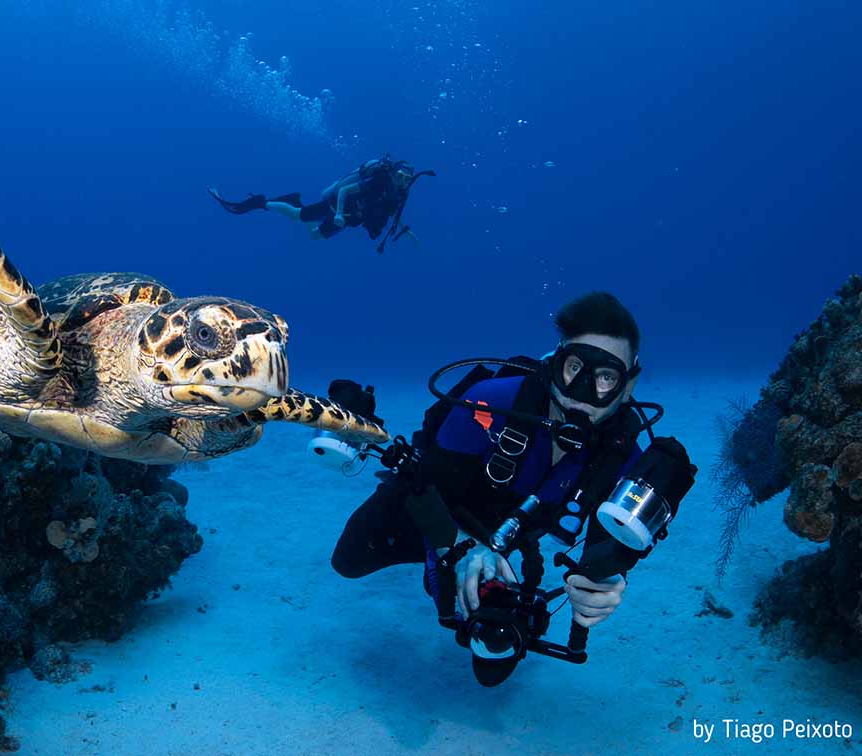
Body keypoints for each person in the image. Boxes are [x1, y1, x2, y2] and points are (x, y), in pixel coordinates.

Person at [330, 292, 674, 683]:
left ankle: (463, 571)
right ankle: (435, 557)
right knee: (349, 559)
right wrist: (458, 547)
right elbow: (428, 482)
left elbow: (607, 548)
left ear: (629, 385)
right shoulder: (492, 403)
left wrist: (607, 583)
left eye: (605, 377)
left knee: (495, 654)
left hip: (508, 529)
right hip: (433, 501)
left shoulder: (623, 457)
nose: (582, 391)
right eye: (574, 368)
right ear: (556, 362)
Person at [207, 155, 436, 253]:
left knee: (314, 236)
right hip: (338, 206)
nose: (402, 181)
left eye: (407, 179)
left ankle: (295, 202)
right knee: (297, 215)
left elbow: (392, 211)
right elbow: (346, 189)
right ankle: (263, 202)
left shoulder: (398, 194)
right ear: (394, 172)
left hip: (349, 218)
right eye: (400, 176)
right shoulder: (378, 182)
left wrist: (406, 231)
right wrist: (337, 213)